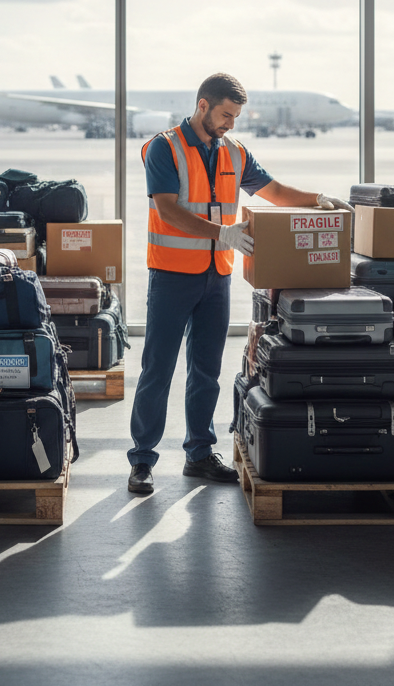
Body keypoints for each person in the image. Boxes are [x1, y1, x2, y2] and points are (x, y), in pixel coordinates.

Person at [127, 72, 352, 495]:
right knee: (158, 369)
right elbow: (168, 211)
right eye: (226, 115)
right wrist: (223, 233)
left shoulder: (234, 151)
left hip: (216, 278)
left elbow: (274, 191)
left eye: (236, 117)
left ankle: (198, 454)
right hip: (172, 275)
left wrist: (318, 199)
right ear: (203, 106)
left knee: (207, 371)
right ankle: (142, 460)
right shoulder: (164, 146)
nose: (231, 123)